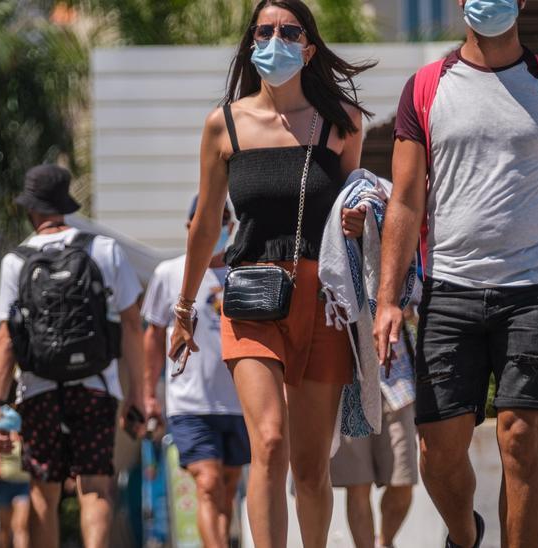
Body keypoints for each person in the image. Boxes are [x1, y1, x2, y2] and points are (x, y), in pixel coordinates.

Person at [374, 1, 538, 547]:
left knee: (521, 439)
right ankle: (465, 535)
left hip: (534, 290)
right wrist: (387, 298)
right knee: (438, 453)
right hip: (449, 288)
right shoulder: (425, 86)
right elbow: (405, 198)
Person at [167, 1, 374, 546]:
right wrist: (184, 311)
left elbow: (359, 203)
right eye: (264, 30)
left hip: (323, 299)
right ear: (250, 42)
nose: (274, 39)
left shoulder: (342, 122)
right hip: (252, 295)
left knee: (310, 466)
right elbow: (205, 226)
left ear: (308, 46)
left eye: (288, 30)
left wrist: (359, 220)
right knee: (270, 441)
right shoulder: (224, 124)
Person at [0, 164, 145, 548]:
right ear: (65, 205)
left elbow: (7, 340)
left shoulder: (17, 261)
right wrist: (137, 395)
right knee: (95, 483)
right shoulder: (104, 249)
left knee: (45, 488)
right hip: (96, 385)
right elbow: (131, 324)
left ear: (31, 210)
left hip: (38, 389)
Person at [141, 196, 248, 548]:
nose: (216, 229)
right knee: (208, 482)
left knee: (228, 487)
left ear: (231, 228)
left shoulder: (243, 273)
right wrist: (148, 395)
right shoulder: (169, 273)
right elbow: (153, 335)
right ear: (190, 226)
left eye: (222, 221)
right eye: (205, 221)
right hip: (189, 404)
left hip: (239, 403)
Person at [331, 324, 418, 548]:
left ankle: (385, 542)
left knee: (403, 480)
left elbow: (421, 302)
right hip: (348, 378)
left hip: (395, 379)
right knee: (358, 483)